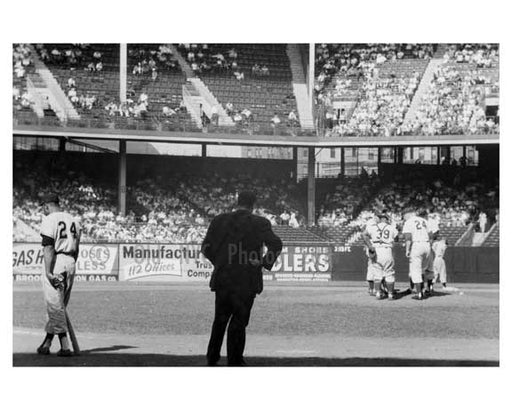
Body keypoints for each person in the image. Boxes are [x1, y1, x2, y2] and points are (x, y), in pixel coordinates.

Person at [201, 191, 282, 366]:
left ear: (237, 202)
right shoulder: (260, 222)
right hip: (246, 279)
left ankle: (212, 356)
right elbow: (276, 244)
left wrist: (220, 263)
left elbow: (206, 248)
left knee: (220, 319)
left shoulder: (219, 220)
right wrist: (262, 262)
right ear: (253, 205)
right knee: (239, 320)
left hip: (223, 277)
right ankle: (235, 359)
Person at [37, 193, 81, 356]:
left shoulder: (49, 219)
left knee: (55, 306)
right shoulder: (74, 220)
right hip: (70, 262)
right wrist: (70, 264)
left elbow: (48, 247)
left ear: (47, 206)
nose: (43, 210)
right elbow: (77, 248)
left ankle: (65, 346)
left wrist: (48, 271)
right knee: (60, 306)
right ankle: (47, 343)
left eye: (43, 207)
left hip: (56, 261)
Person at [362, 211, 399, 300]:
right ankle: (390, 294)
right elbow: (397, 238)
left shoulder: (373, 227)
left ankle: (378, 293)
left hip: (376, 249)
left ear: (380, 219)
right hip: (387, 250)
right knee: (389, 273)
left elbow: (364, 234)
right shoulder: (391, 227)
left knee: (377, 273)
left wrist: (370, 246)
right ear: (387, 219)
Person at [402, 209, 432, 300]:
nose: (404, 217)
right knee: (422, 270)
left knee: (415, 271)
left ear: (408, 214)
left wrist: (407, 250)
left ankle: (419, 293)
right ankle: (422, 291)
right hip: (427, 245)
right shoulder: (424, 221)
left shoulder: (409, 222)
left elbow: (408, 238)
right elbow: (431, 235)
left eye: (404, 215)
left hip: (417, 244)